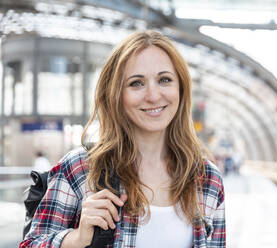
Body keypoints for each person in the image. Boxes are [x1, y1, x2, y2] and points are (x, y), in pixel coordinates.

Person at [20, 30, 225, 248]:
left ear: (181, 89)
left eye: (164, 80)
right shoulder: (82, 169)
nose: (153, 96)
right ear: (116, 94)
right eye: (136, 83)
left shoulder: (206, 179)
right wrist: (77, 238)